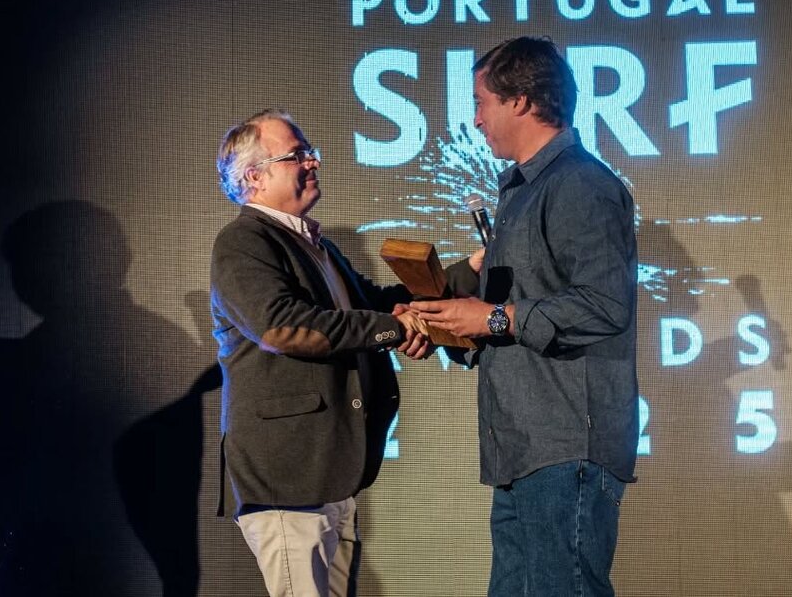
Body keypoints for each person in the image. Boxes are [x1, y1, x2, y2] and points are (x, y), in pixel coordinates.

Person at [411, 37, 639, 597]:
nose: (476, 119)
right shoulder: (521, 193)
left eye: (481, 102)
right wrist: (449, 327)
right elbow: (510, 316)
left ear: (519, 101)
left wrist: (490, 319)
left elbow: (605, 305)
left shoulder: (580, 184)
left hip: (565, 443)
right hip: (522, 445)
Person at [210, 109, 465, 597]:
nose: (313, 162)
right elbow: (284, 326)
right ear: (254, 177)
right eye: (296, 155)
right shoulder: (243, 241)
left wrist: (467, 272)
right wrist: (396, 328)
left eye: (310, 152)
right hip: (290, 478)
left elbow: (375, 304)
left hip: (330, 474)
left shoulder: (312, 243)